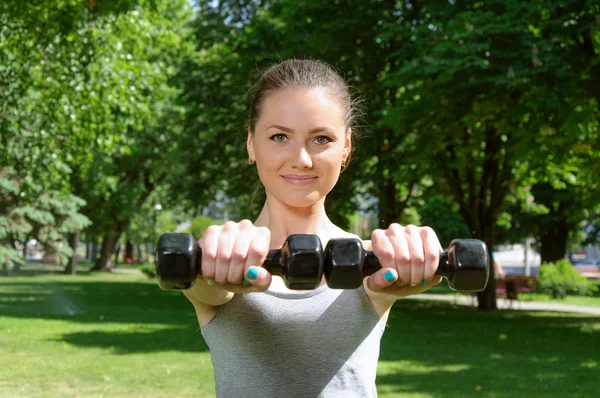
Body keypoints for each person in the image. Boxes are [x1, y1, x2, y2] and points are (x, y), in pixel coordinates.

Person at [182, 59, 444, 397]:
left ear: (346, 147)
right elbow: (209, 289)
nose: (302, 159)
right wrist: (211, 265)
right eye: (279, 136)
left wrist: (419, 255)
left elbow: (382, 285)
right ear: (251, 143)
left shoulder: (374, 261)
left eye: (321, 139)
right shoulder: (219, 256)